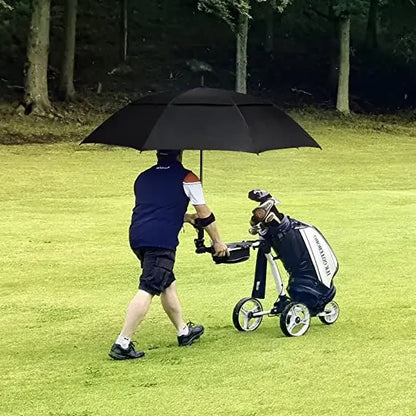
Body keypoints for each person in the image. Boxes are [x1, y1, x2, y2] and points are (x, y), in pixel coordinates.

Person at [109, 149, 228, 360]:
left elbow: (156, 209)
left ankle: (183, 332)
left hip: (137, 237)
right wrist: (217, 241)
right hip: (161, 241)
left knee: (167, 282)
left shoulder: (143, 177)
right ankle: (122, 342)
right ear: (179, 153)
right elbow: (205, 214)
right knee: (149, 286)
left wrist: (186, 217)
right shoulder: (188, 177)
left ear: (157, 153)